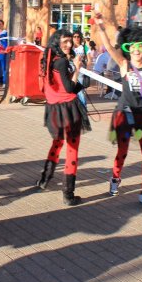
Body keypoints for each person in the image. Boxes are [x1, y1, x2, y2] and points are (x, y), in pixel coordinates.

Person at [95, 14, 142, 209]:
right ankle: (115, 178)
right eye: (132, 46)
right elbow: (109, 47)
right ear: (128, 47)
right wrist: (100, 25)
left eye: (140, 45)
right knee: (123, 151)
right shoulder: (124, 64)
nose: (136, 49)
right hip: (125, 113)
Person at [36, 29, 90, 206]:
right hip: (68, 108)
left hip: (54, 108)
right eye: (65, 41)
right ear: (57, 43)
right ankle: (68, 193)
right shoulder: (60, 62)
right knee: (72, 149)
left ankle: (44, 179)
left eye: (70, 41)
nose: (69, 44)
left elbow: (60, 86)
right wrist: (77, 69)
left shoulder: (49, 59)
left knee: (57, 143)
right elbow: (68, 89)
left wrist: (80, 81)